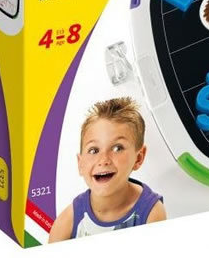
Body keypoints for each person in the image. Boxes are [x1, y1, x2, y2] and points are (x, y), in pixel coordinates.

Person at [49, 97, 166, 242]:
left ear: (138, 158)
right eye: (94, 150)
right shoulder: (68, 221)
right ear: (80, 164)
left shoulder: (151, 213)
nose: (103, 160)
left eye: (117, 148)